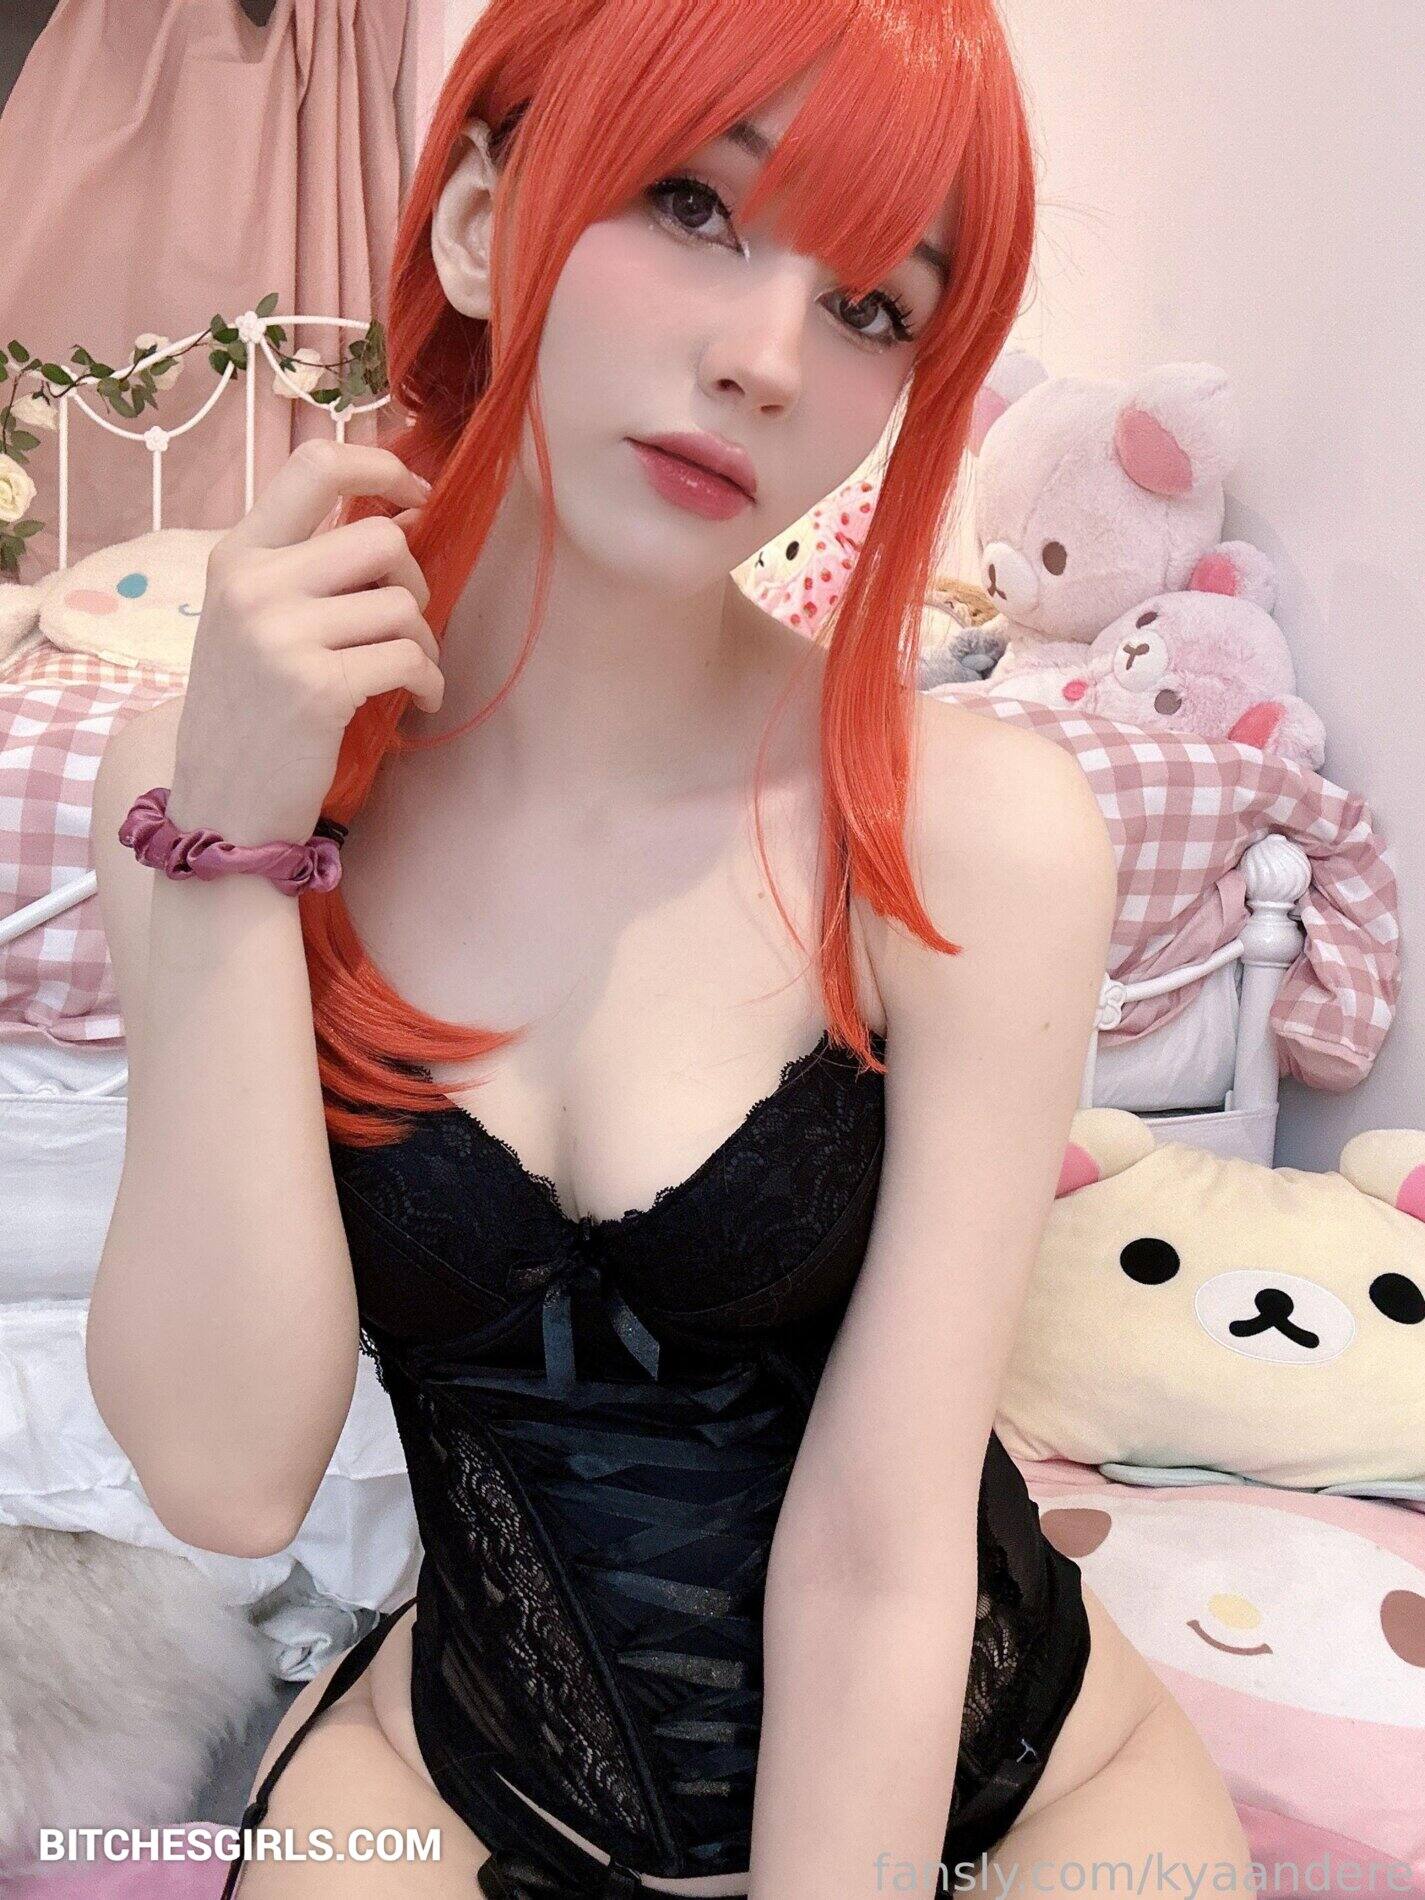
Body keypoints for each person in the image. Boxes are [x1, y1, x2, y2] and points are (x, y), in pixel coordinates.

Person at [86, 0, 1256, 1893]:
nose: (766, 359)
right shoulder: (196, 785)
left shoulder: (971, 831)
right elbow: (226, 1480)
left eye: (871, 305)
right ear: (482, 223)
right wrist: (233, 849)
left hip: (1004, 1776)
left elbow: (884, 1545)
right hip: (469, 1773)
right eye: (693, 206)